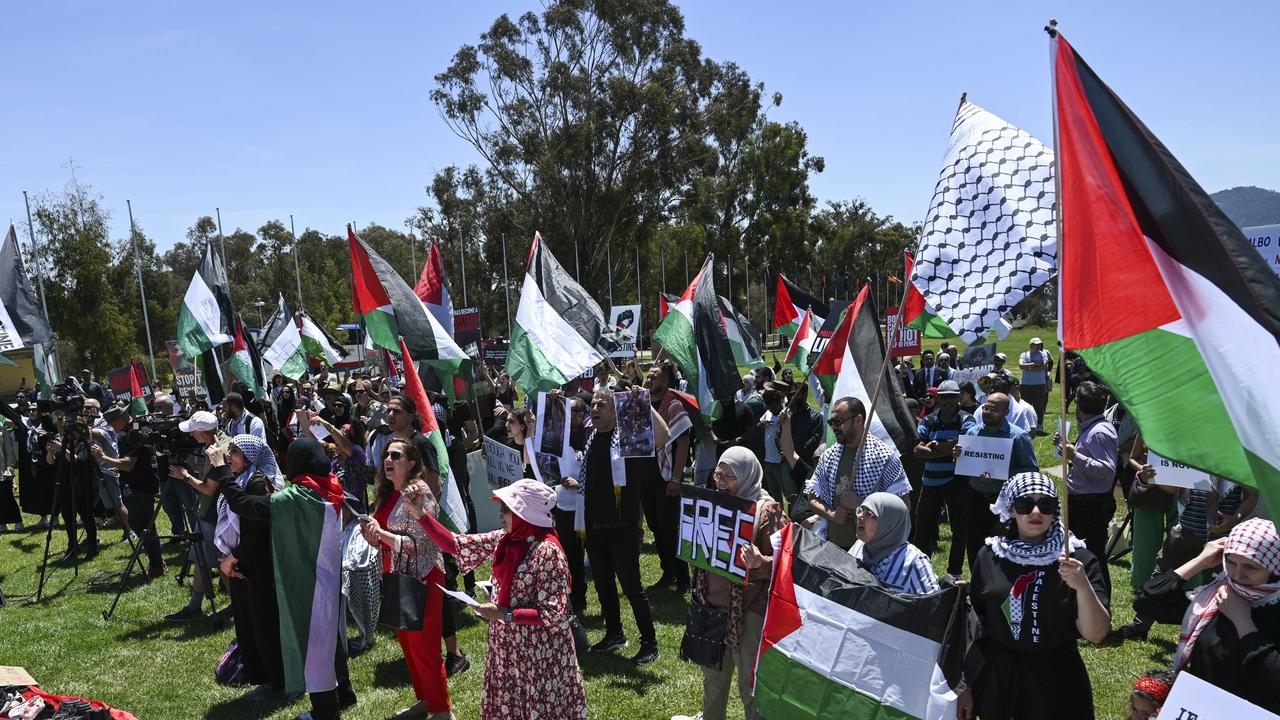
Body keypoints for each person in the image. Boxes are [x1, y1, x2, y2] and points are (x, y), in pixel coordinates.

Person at [408, 478, 589, 720]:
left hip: (540, 656)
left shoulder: (548, 551)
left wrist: (505, 613)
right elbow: (456, 544)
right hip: (507, 649)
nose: (501, 513)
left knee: (541, 708)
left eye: (507, 508)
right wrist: (421, 514)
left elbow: (554, 613)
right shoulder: (506, 538)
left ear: (526, 513)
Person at [215, 438, 359, 719]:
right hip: (328, 573)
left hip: (310, 578)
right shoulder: (327, 484)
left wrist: (221, 470)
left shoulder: (300, 496)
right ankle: (344, 692)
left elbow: (245, 504)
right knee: (329, 638)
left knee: (315, 642)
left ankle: (324, 712)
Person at [958, 472, 1110, 720]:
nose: (1036, 511)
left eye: (1046, 504)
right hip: (1000, 679)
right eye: (1025, 504)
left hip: (1056, 682)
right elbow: (973, 628)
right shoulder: (990, 555)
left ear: (1056, 510)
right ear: (1011, 509)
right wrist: (965, 686)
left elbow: (1096, 634)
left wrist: (1083, 586)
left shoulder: (1077, 559)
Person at [683, 448, 788, 720]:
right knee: (713, 680)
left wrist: (759, 562)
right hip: (713, 607)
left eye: (730, 476)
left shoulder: (767, 512)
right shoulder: (712, 503)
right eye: (719, 473)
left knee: (750, 686)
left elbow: (787, 562)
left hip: (750, 611)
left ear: (748, 476)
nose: (721, 481)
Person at [1132, 518, 1280, 709]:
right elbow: (1148, 602)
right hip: (1203, 707)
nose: (1237, 574)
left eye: (1251, 567)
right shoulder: (1215, 596)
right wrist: (1200, 561)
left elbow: (1273, 674)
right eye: (1231, 562)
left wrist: (1243, 622)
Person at [182, 433, 286, 697]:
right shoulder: (241, 479)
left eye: (236, 452)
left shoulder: (256, 483)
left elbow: (255, 531)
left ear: (250, 457)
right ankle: (257, 674)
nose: (230, 456)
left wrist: (232, 557)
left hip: (255, 562)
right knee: (246, 620)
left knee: (263, 623)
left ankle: (275, 681)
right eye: (230, 451)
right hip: (240, 561)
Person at [572, 388, 669, 663]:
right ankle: (614, 634)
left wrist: (644, 403)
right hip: (594, 526)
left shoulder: (629, 442)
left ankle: (650, 643)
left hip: (622, 527)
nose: (595, 409)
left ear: (616, 411)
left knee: (632, 587)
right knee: (603, 584)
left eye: (602, 405)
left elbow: (663, 436)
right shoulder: (591, 438)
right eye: (593, 404)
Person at [361, 439, 455, 719]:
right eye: (386, 454)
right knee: (409, 645)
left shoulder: (419, 491)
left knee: (425, 647)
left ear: (411, 462)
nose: (388, 459)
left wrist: (382, 534)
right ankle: (426, 700)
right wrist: (373, 538)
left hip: (423, 577)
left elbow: (420, 544)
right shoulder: (389, 492)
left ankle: (442, 711)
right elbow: (387, 539)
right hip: (396, 575)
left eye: (396, 455)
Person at [803, 397, 911, 550]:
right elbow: (813, 499)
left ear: (858, 420)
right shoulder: (829, 456)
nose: (834, 427)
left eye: (839, 421)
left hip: (870, 551)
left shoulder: (884, 457)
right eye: (831, 422)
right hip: (833, 547)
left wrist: (859, 505)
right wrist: (832, 515)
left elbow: (903, 507)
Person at [953, 392, 1039, 574]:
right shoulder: (972, 432)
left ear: (1006, 412)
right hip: (975, 498)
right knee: (975, 547)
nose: (987, 412)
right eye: (985, 407)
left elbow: (1031, 471)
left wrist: (1001, 475)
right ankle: (978, 587)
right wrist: (958, 456)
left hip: (1004, 503)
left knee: (1003, 550)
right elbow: (967, 464)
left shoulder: (1018, 437)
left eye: (994, 409)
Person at [912, 380, 976, 581]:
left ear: (959, 398)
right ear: (938, 398)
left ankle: (954, 572)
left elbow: (967, 445)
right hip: (930, 482)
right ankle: (922, 572)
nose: (948, 401)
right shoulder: (929, 420)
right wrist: (949, 450)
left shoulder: (967, 419)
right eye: (944, 397)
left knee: (960, 529)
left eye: (952, 397)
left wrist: (935, 446)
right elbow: (917, 451)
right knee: (923, 528)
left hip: (957, 482)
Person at [1059, 381, 1118, 594]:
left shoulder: (1099, 432)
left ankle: (1101, 602)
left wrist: (1075, 455)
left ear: (1079, 407)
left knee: (1093, 558)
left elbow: (1107, 471)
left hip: (1091, 505)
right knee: (1081, 555)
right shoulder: (1092, 428)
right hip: (1082, 502)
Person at [93, 405, 166, 577]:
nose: (111, 428)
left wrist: (103, 457)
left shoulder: (134, 433)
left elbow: (128, 463)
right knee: (136, 523)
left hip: (142, 484)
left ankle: (157, 564)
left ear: (121, 420)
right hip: (133, 482)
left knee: (145, 525)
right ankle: (155, 560)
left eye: (112, 424)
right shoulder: (131, 430)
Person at [645, 360, 693, 594]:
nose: (649, 380)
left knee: (670, 528)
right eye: (648, 376)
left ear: (666, 380)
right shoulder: (640, 404)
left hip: (667, 477)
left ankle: (684, 578)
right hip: (646, 476)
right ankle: (668, 572)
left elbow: (683, 442)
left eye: (655, 376)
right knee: (654, 526)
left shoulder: (672, 405)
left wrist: (676, 479)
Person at [851, 492, 939, 593]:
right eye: (860, 510)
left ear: (888, 523)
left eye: (869, 514)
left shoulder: (914, 562)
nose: (859, 517)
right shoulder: (859, 546)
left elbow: (934, 603)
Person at [1018, 338, 1052, 431]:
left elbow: (1044, 365)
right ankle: (1026, 424)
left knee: (1038, 405)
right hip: (1025, 383)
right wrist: (1035, 364)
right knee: (1025, 405)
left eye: (1039, 344)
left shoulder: (1043, 354)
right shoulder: (1024, 354)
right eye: (1036, 344)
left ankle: (1039, 425)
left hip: (1039, 384)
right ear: (1031, 345)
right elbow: (1021, 365)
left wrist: (1029, 366)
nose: (1039, 346)